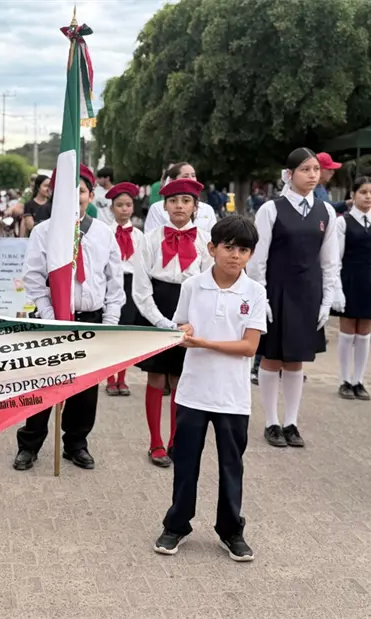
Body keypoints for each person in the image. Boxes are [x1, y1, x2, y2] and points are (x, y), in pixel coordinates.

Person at [153, 215, 265, 562]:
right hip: (193, 391)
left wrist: (203, 342)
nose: (235, 255)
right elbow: (180, 326)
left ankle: (231, 530)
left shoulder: (255, 292)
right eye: (228, 247)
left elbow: (249, 347)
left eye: (243, 250)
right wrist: (183, 332)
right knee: (186, 462)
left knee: (232, 465)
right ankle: (176, 524)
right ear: (212, 248)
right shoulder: (192, 286)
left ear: (251, 255)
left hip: (233, 396)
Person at [13, 164, 125, 472]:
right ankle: (29, 444)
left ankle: (76, 443)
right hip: (53, 318)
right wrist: (51, 315)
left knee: (85, 388)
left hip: (90, 318)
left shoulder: (103, 233)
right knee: (43, 383)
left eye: (81, 191)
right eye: (67, 192)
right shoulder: (44, 232)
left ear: (91, 194)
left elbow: (114, 282)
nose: (75, 198)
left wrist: (109, 322)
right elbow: (33, 277)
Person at [247, 148, 337, 449]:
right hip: (277, 289)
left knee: (297, 359)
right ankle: (271, 422)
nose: (312, 175)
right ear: (290, 174)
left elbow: (330, 260)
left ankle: (291, 422)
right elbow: (257, 260)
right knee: (272, 357)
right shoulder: (270, 209)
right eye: (305, 170)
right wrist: (261, 297)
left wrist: (327, 299)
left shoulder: (326, 211)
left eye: (315, 170)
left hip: (308, 291)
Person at [132, 178, 213, 467]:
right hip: (156, 307)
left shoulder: (205, 240)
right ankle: (155, 442)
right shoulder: (149, 239)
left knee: (181, 378)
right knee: (156, 375)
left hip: (190, 311)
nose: (179, 206)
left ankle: (175, 441)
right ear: (164, 206)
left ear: (195, 207)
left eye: (186, 201)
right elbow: (141, 287)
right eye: (173, 201)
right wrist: (158, 320)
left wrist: (191, 321)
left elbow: (207, 284)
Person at [331, 177, 371, 400]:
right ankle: (345, 379)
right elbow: (335, 259)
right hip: (349, 279)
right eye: (363, 192)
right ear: (353, 195)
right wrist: (336, 289)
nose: (368, 196)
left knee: (365, 332)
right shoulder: (343, 223)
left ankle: (358, 380)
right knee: (348, 331)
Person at [104, 182, 144, 396]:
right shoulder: (105, 233)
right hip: (110, 283)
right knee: (112, 330)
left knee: (126, 331)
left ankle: (122, 378)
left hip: (131, 284)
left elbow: (143, 264)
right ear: (112, 208)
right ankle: (110, 378)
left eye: (128, 205)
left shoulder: (139, 235)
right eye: (119, 205)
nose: (124, 209)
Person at [143, 163, 217, 234]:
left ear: (194, 207)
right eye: (185, 176)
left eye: (193, 175)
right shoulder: (157, 208)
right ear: (172, 180)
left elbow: (214, 237)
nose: (191, 179)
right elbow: (151, 236)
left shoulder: (207, 209)